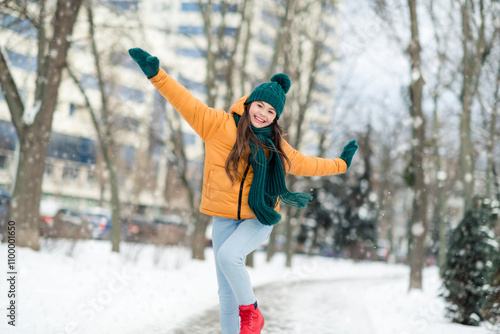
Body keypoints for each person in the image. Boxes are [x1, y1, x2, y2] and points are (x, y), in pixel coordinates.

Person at [129, 47, 358, 334]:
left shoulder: (275, 145)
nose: (263, 113)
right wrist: (156, 75)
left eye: (271, 111)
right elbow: (184, 101)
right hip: (223, 216)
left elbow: (305, 164)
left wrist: (341, 164)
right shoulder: (217, 125)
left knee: (228, 257)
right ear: (249, 103)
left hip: (259, 215)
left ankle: (252, 313)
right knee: (225, 294)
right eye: (260, 105)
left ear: (276, 117)